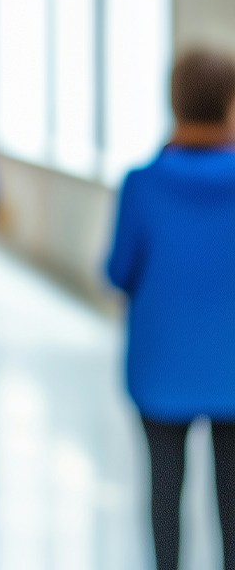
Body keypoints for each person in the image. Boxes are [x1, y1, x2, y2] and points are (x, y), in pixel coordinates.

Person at [107, 47, 235, 570]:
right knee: (232, 500)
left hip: (161, 368)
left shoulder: (144, 182)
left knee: (165, 493)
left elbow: (118, 271)